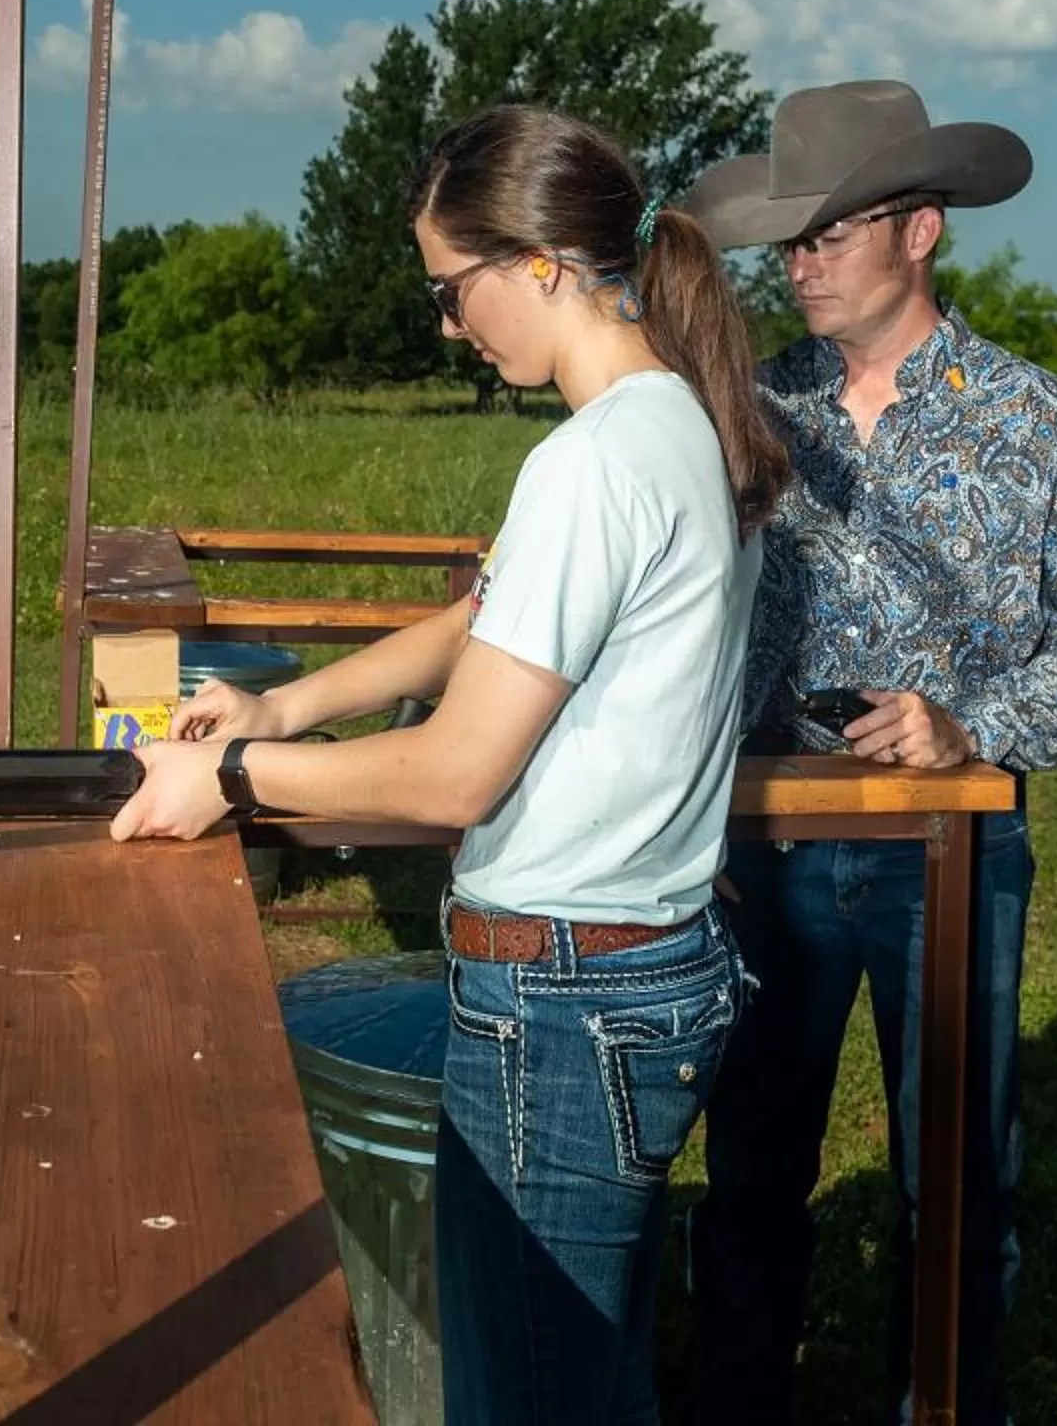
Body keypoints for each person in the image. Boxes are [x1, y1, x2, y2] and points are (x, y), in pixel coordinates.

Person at [109, 103, 788, 1424]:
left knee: (522, 1398)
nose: (446, 325)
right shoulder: (682, 424)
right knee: (590, 1377)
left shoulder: (591, 463)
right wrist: (285, 709)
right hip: (644, 974)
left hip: (566, 1001)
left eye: (450, 287)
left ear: (538, 262)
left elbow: (453, 778)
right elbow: (488, 621)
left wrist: (234, 785)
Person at [674, 80, 1057, 1426]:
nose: (803, 261)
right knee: (749, 1168)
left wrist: (977, 728)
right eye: (792, 236)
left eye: (834, 230)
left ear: (923, 231)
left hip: (949, 848)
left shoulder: (1041, 421)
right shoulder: (744, 408)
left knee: (953, 1172)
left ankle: (943, 1405)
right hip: (761, 841)